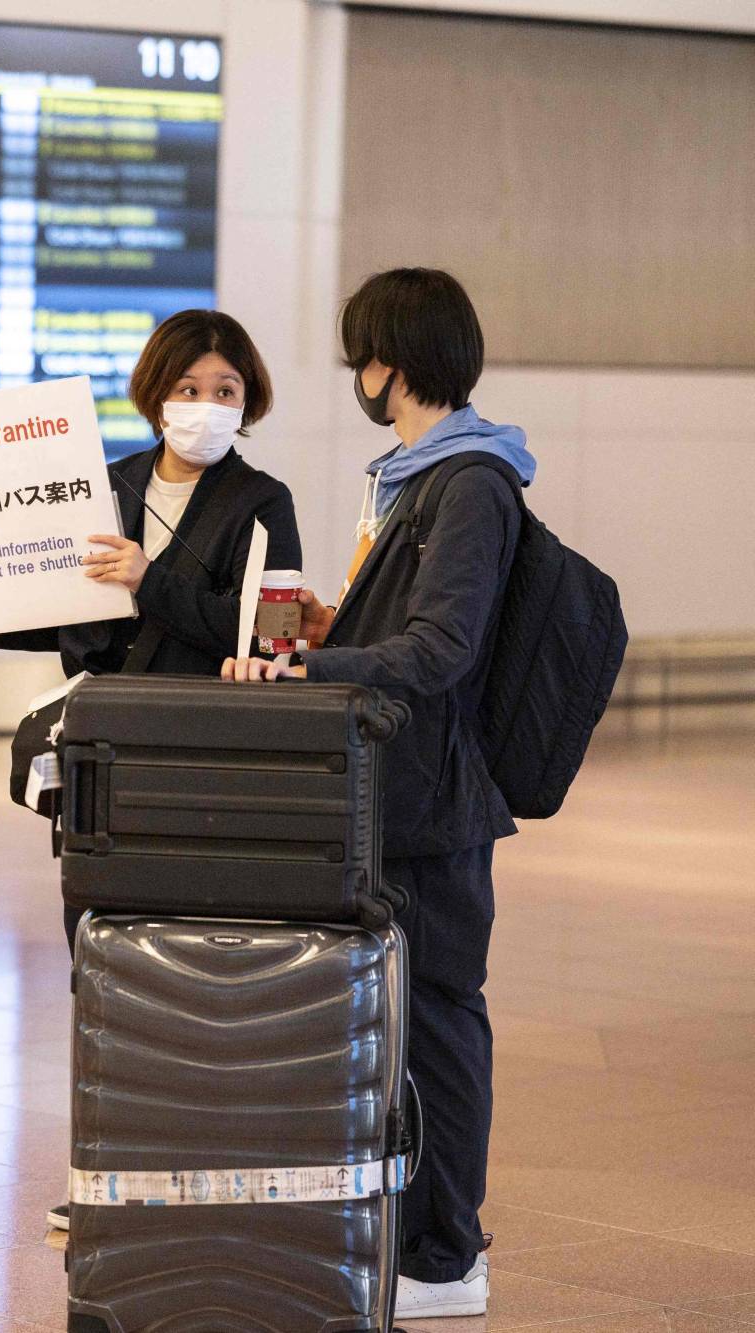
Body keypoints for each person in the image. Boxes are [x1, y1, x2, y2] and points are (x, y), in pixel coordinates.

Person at [0, 308, 302, 1232]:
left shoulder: (264, 503)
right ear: (155, 395)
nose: (205, 407)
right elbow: (71, 616)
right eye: (189, 389)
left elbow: (261, 632)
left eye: (224, 392)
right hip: (107, 749)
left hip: (201, 753)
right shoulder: (104, 487)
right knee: (98, 959)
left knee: (194, 970)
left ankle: (206, 1165)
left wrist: (151, 577)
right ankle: (109, 1176)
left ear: (248, 402)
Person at [223, 268, 535, 1319]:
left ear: (391, 362)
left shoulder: (470, 481)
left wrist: (311, 671)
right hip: (395, 793)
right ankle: (411, 1236)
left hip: (435, 805)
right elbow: (400, 633)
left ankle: (448, 1256)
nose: (357, 373)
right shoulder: (412, 476)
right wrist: (327, 631)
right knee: (400, 1025)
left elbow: (441, 647)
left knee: (439, 1024)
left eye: (363, 353)